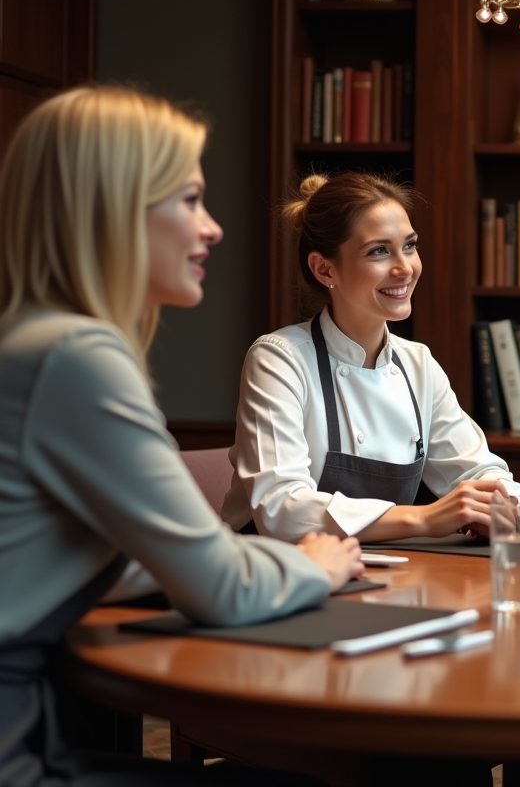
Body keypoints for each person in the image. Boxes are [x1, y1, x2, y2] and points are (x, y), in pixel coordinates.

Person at [0, 86, 362, 785]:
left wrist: (190, 561)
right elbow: (219, 588)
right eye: (189, 199)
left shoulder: (33, 343)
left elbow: (89, 555)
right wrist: (314, 564)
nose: (213, 228)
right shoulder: (77, 357)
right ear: (112, 207)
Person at [222, 172, 520, 544]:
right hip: (275, 577)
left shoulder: (419, 366)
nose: (405, 268)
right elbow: (281, 510)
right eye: (379, 251)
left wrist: (504, 505)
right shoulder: (278, 360)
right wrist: (427, 518)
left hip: (383, 572)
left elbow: (484, 471)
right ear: (324, 269)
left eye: (410, 246)